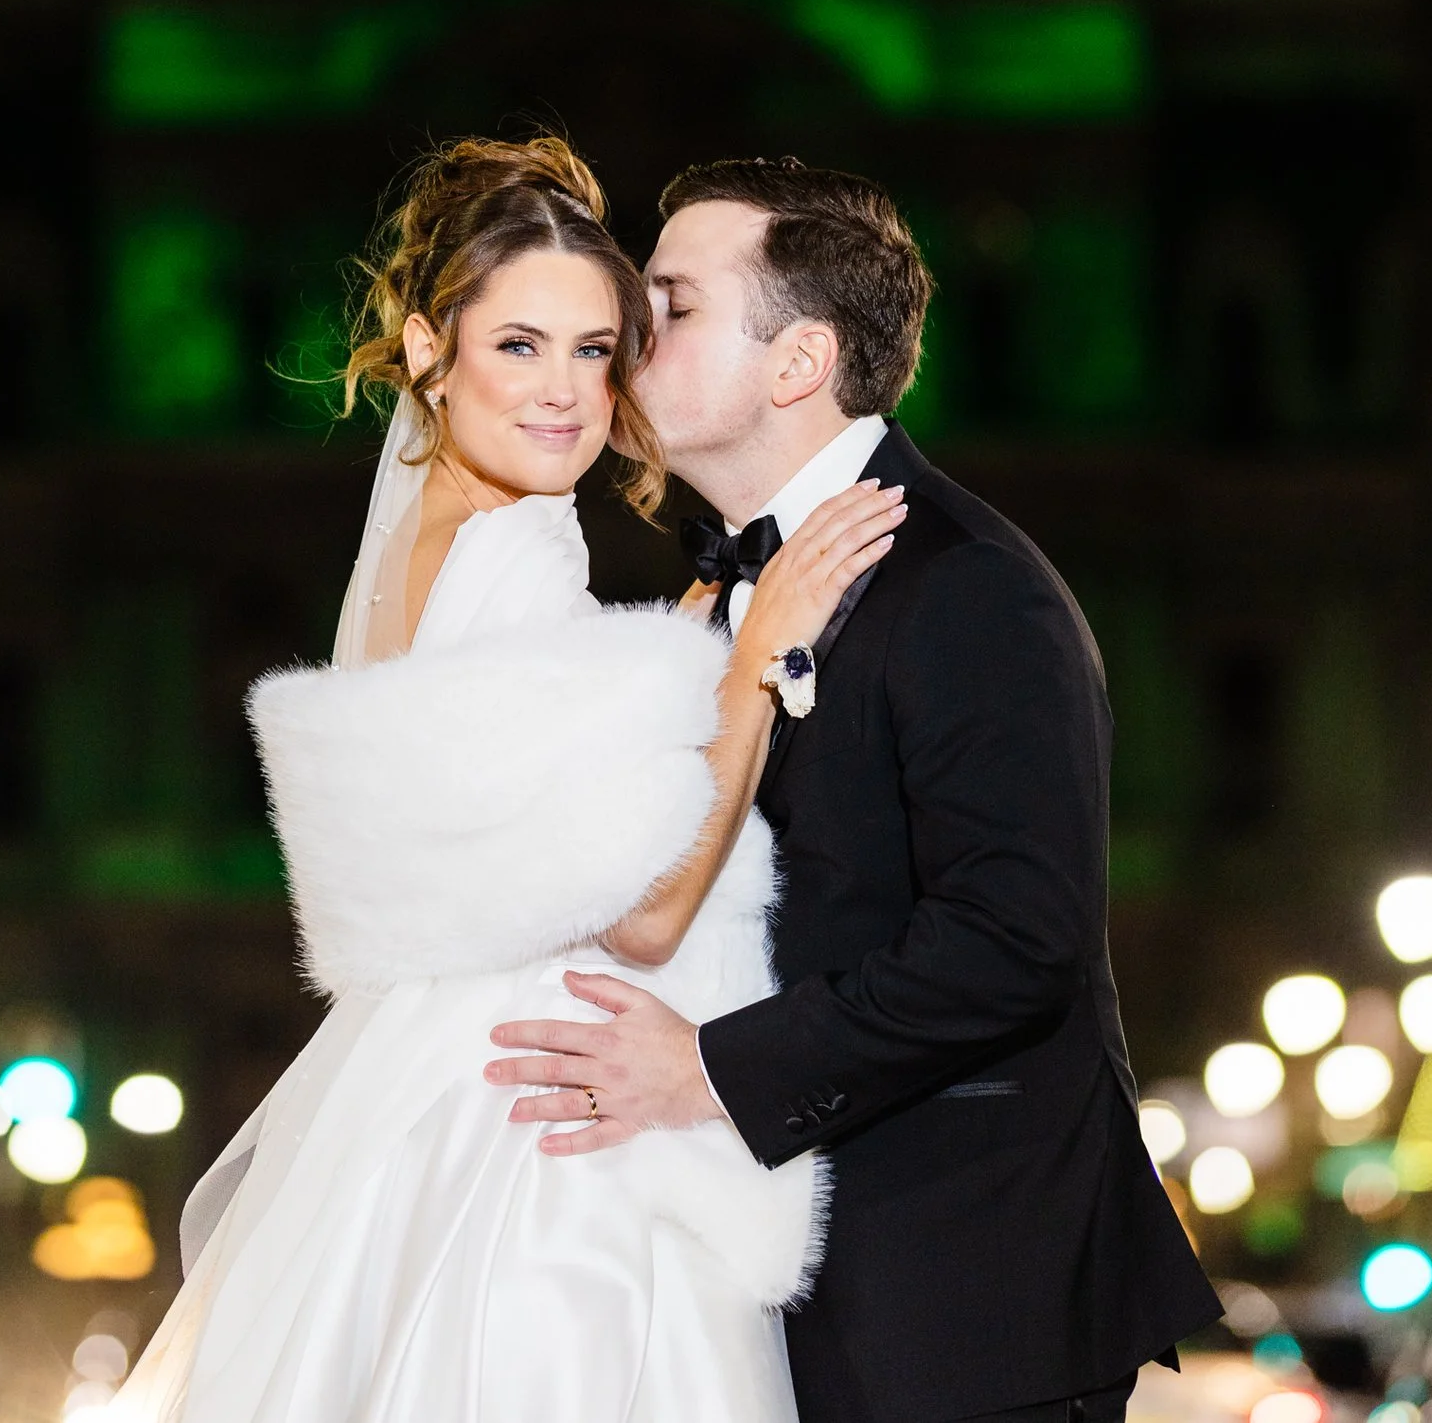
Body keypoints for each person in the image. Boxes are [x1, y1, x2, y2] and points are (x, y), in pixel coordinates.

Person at [120, 133, 905, 1422]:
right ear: (432, 348)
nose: (565, 393)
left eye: (596, 349)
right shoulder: (515, 553)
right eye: (519, 344)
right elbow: (644, 916)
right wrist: (756, 666)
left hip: (423, 1096)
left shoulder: (420, 539)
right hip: (542, 1126)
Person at [486, 154, 1221, 1423]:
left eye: (674, 301)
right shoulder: (722, 590)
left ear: (797, 362)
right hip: (806, 1282)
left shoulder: (964, 581)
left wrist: (705, 1070)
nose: (627, 332)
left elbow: (1013, 939)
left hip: (959, 1293)